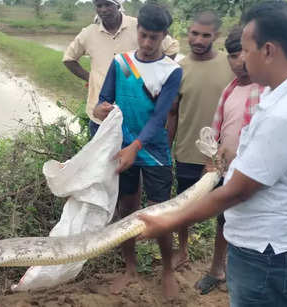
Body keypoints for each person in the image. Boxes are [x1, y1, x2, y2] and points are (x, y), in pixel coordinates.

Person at [138, 2, 287, 306]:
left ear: (269, 51)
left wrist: (170, 220)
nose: (241, 59)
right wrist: (238, 153)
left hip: (269, 253)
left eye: (246, 50)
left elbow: (236, 192)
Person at [92, 4, 182, 298]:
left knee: (160, 213)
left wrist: (136, 146)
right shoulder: (121, 63)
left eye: (153, 38)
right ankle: (130, 268)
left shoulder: (172, 71)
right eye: (142, 36)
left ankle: (167, 269)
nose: (145, 43)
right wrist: (101, 108)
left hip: (153, 151)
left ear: (163, 37)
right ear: (137, 30)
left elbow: (159, 118)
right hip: (122, 148)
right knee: (126, 210)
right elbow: (103, 100)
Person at [192, 26, 265, 295]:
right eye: (234, 56)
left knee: (250, 224)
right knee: (224, 221)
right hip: (227, 171)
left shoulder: (267, 90)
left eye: (245, 55)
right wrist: (211, 160)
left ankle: (245, 277)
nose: (240, 62)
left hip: (254, 175)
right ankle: (217, 270)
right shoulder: (230, 90)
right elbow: (217, 130)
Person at [166, 10, 234, 273]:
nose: (198, 39)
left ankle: (218, 265)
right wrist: (168, 147)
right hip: (187, 152)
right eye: (194, 33)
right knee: (184, 207)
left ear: (216, 36)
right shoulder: (179, 68)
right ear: (188, 33)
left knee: (225, 214)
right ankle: (182, 252)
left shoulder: (231, 65)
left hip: (223, 156)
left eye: (205, 35)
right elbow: (173, 112)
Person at [63, 0, 179, 137]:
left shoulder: (138, 26)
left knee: (133, 154)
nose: (103, 10)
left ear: (118, 5)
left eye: (108, 5)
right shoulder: (89, 33)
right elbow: (69, 59)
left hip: (136, 112)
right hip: (102, 114)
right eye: (99, 6)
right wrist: (91, 77)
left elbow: (171, 47)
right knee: (101, 157)